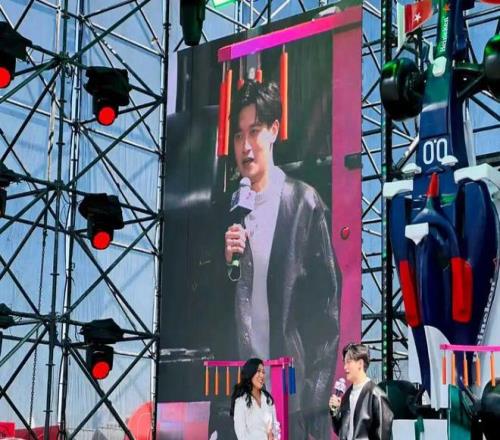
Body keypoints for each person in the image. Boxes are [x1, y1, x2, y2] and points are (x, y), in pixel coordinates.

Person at [223, 79, 341, 438]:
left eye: (254, 131)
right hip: (247, 398)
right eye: (238, 134)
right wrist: (226, 262)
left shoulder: (304, 203)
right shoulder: (230, 209)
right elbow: (210, 312)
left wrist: (313, 402)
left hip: (292, 396)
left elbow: (327, 311)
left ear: (274, 130)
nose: (245, 146)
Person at [329, 343, 393, 440]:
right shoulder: (347, 395)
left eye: (348, 362)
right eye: (344, 363)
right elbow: (342, 431)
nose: (345, 367)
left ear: (360, 364)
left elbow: (383, 435)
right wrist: (335, 412)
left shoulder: (377, 396)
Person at [231, 358, 280, 439]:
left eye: (263, 372)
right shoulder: (241, 402)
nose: (262, 375)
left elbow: (275, 428)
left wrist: (273, 436)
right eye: (258, 371)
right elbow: (241, 435)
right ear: (250, 373)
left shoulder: (268, 400)